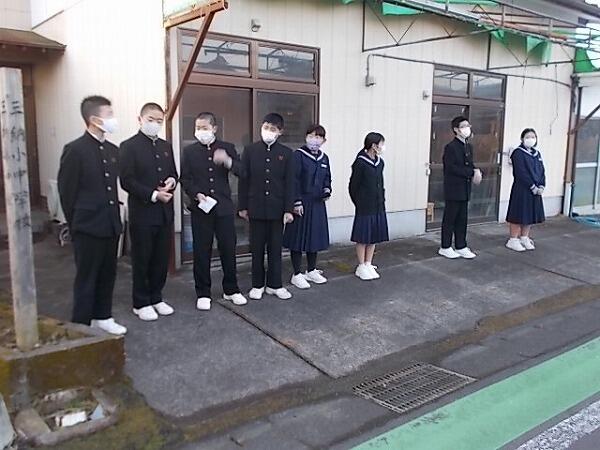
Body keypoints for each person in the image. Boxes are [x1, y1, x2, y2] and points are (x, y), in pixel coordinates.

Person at [57, 95, 126, 335]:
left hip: (110, 223)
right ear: (94, 119)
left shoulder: (113, 150)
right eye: (109, 115)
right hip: (86, 225)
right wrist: (74, 224)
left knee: (108, 273)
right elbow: (67, 192)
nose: (113, 119)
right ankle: (81, 323)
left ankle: (103, 316)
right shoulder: (75, 150)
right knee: (87, 276)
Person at [180, 112, 248, 310]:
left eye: (205, 127)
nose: (201, 131)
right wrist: (195, 193)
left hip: (224, 207)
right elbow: (185, 178)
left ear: (214, 128)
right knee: (202, 251)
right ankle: (203, 292)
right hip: (201, 208)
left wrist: (227, 161)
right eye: (198, 127)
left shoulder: (227, 147)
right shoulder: (190, 151)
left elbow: (242, 171)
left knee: (228, 248)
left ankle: (231, 289)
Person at [119, 103, 177, 321]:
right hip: (142, 212)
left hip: (164, 212)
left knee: (161, 258)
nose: (155, 124)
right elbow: (126, 181)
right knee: (142, 258)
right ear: (140, 119)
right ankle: (141, 301)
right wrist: (153, 194)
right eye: (151, 120)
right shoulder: (128, 146)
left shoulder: (165, 146)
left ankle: (156, 297)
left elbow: (173, 173)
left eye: (159, 121)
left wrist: (172, 181)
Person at [238, 113, 295, 300]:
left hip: (277, 210)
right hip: (255, 208)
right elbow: (244, 180)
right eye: (266, 127)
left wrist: (288, 209)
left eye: (273, 129)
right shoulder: (250, 150)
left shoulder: (286, 153)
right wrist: (242, 206)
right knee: (256, 249)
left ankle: (274, 285)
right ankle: (257, 284)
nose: (268, 131)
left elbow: (290, 183)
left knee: (275, 249)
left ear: (280, 132)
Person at [283, 124, 331, 289]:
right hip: (302, 202)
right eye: (311, 136)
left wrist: (327, 190)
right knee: (298, 238)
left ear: (323, 140)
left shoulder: (324, 158)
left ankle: (311, 270)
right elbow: (293, 180)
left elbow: (327, 178)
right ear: (306, 137)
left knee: (314, 238)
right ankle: (296, 273)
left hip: (317, 203)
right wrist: (296, 202)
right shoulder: (298, 155)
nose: (314, 140)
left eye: (318, 137)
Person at [438, 116, 481, 260]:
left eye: (468, 125)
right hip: (453, 188)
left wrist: (476, 171)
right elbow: (451, 168)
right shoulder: (451, 147)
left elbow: (470, 164)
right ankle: (445, 246)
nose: (467, 129)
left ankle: (461, 245)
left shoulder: (468, 146)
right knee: (450, 218)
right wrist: (471, 172)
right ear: (456, 129)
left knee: (462, 219)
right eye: (463, 126)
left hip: (465, 188)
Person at [349, 132, 389, 281]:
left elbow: (381, 183)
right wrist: (359, 202)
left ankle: (368, 263)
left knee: (373, 236)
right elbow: (353, 186)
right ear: (373, 145)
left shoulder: (380, 162)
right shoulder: (360, 162)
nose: (382, 147)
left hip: (378, 204)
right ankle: (361, 265)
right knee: (363, 237)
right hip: (364, 206)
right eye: (381, 144)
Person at [505, 128, 546, 252]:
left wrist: (541, 185)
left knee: (529, 214)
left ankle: (524, 237)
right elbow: (520, 172)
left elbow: (542, 170)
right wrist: (532, 186)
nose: (531, 139)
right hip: (522, 189)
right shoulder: (518, 153)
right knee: (518, 213)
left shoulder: (537, 154)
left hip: (536, 190)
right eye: (528, 137)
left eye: (533, 137)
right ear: (522, 139)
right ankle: (513, 239)